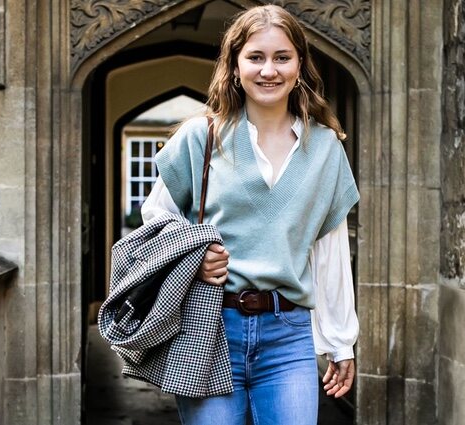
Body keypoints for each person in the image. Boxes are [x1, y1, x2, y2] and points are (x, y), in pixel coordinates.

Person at [141, 4, 359, 424]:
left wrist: (340, 341)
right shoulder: (201, 137)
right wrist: (194, 256)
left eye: (282, 57)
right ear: (235, 65)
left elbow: (329, 250)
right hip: (210, 329)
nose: (269, 71)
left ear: (299, 65)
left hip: (288, 336)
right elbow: (156, 217)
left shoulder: (326, 149)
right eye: (255, 57)